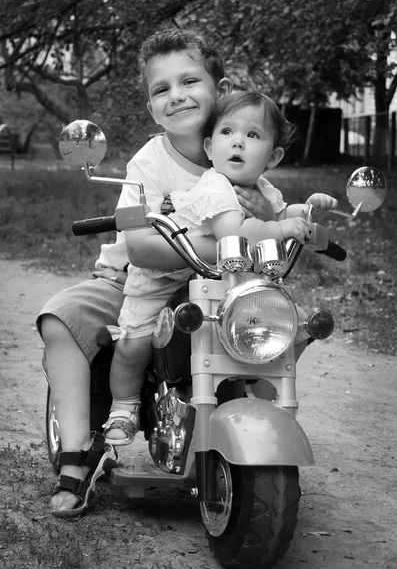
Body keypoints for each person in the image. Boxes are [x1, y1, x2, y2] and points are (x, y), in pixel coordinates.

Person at [36, 28, 275, 517]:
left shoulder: (240, 154)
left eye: (190, 80)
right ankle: (78, 455)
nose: (177, 95)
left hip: (213, 284)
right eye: (161, 89)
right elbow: (141, 247)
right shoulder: (144, 164)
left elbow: (273, 219)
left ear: (220, 87)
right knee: (60, 318)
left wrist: (284, 224)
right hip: (130, 283)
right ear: (150, 107)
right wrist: (234, 239)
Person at [102, 90, 338, 447]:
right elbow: (236, 232)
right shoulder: (214, 187)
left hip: (223, 281)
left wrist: (306, 212)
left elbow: (280, 211)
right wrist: (279, 229)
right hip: (163, 278)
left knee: (296, 328)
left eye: (253, 135)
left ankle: (257, 392)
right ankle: (124, 405)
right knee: (134, 342)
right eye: (227, 132)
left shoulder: (261, 188)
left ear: (273, 156)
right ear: (210, 149)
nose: (238, 142)